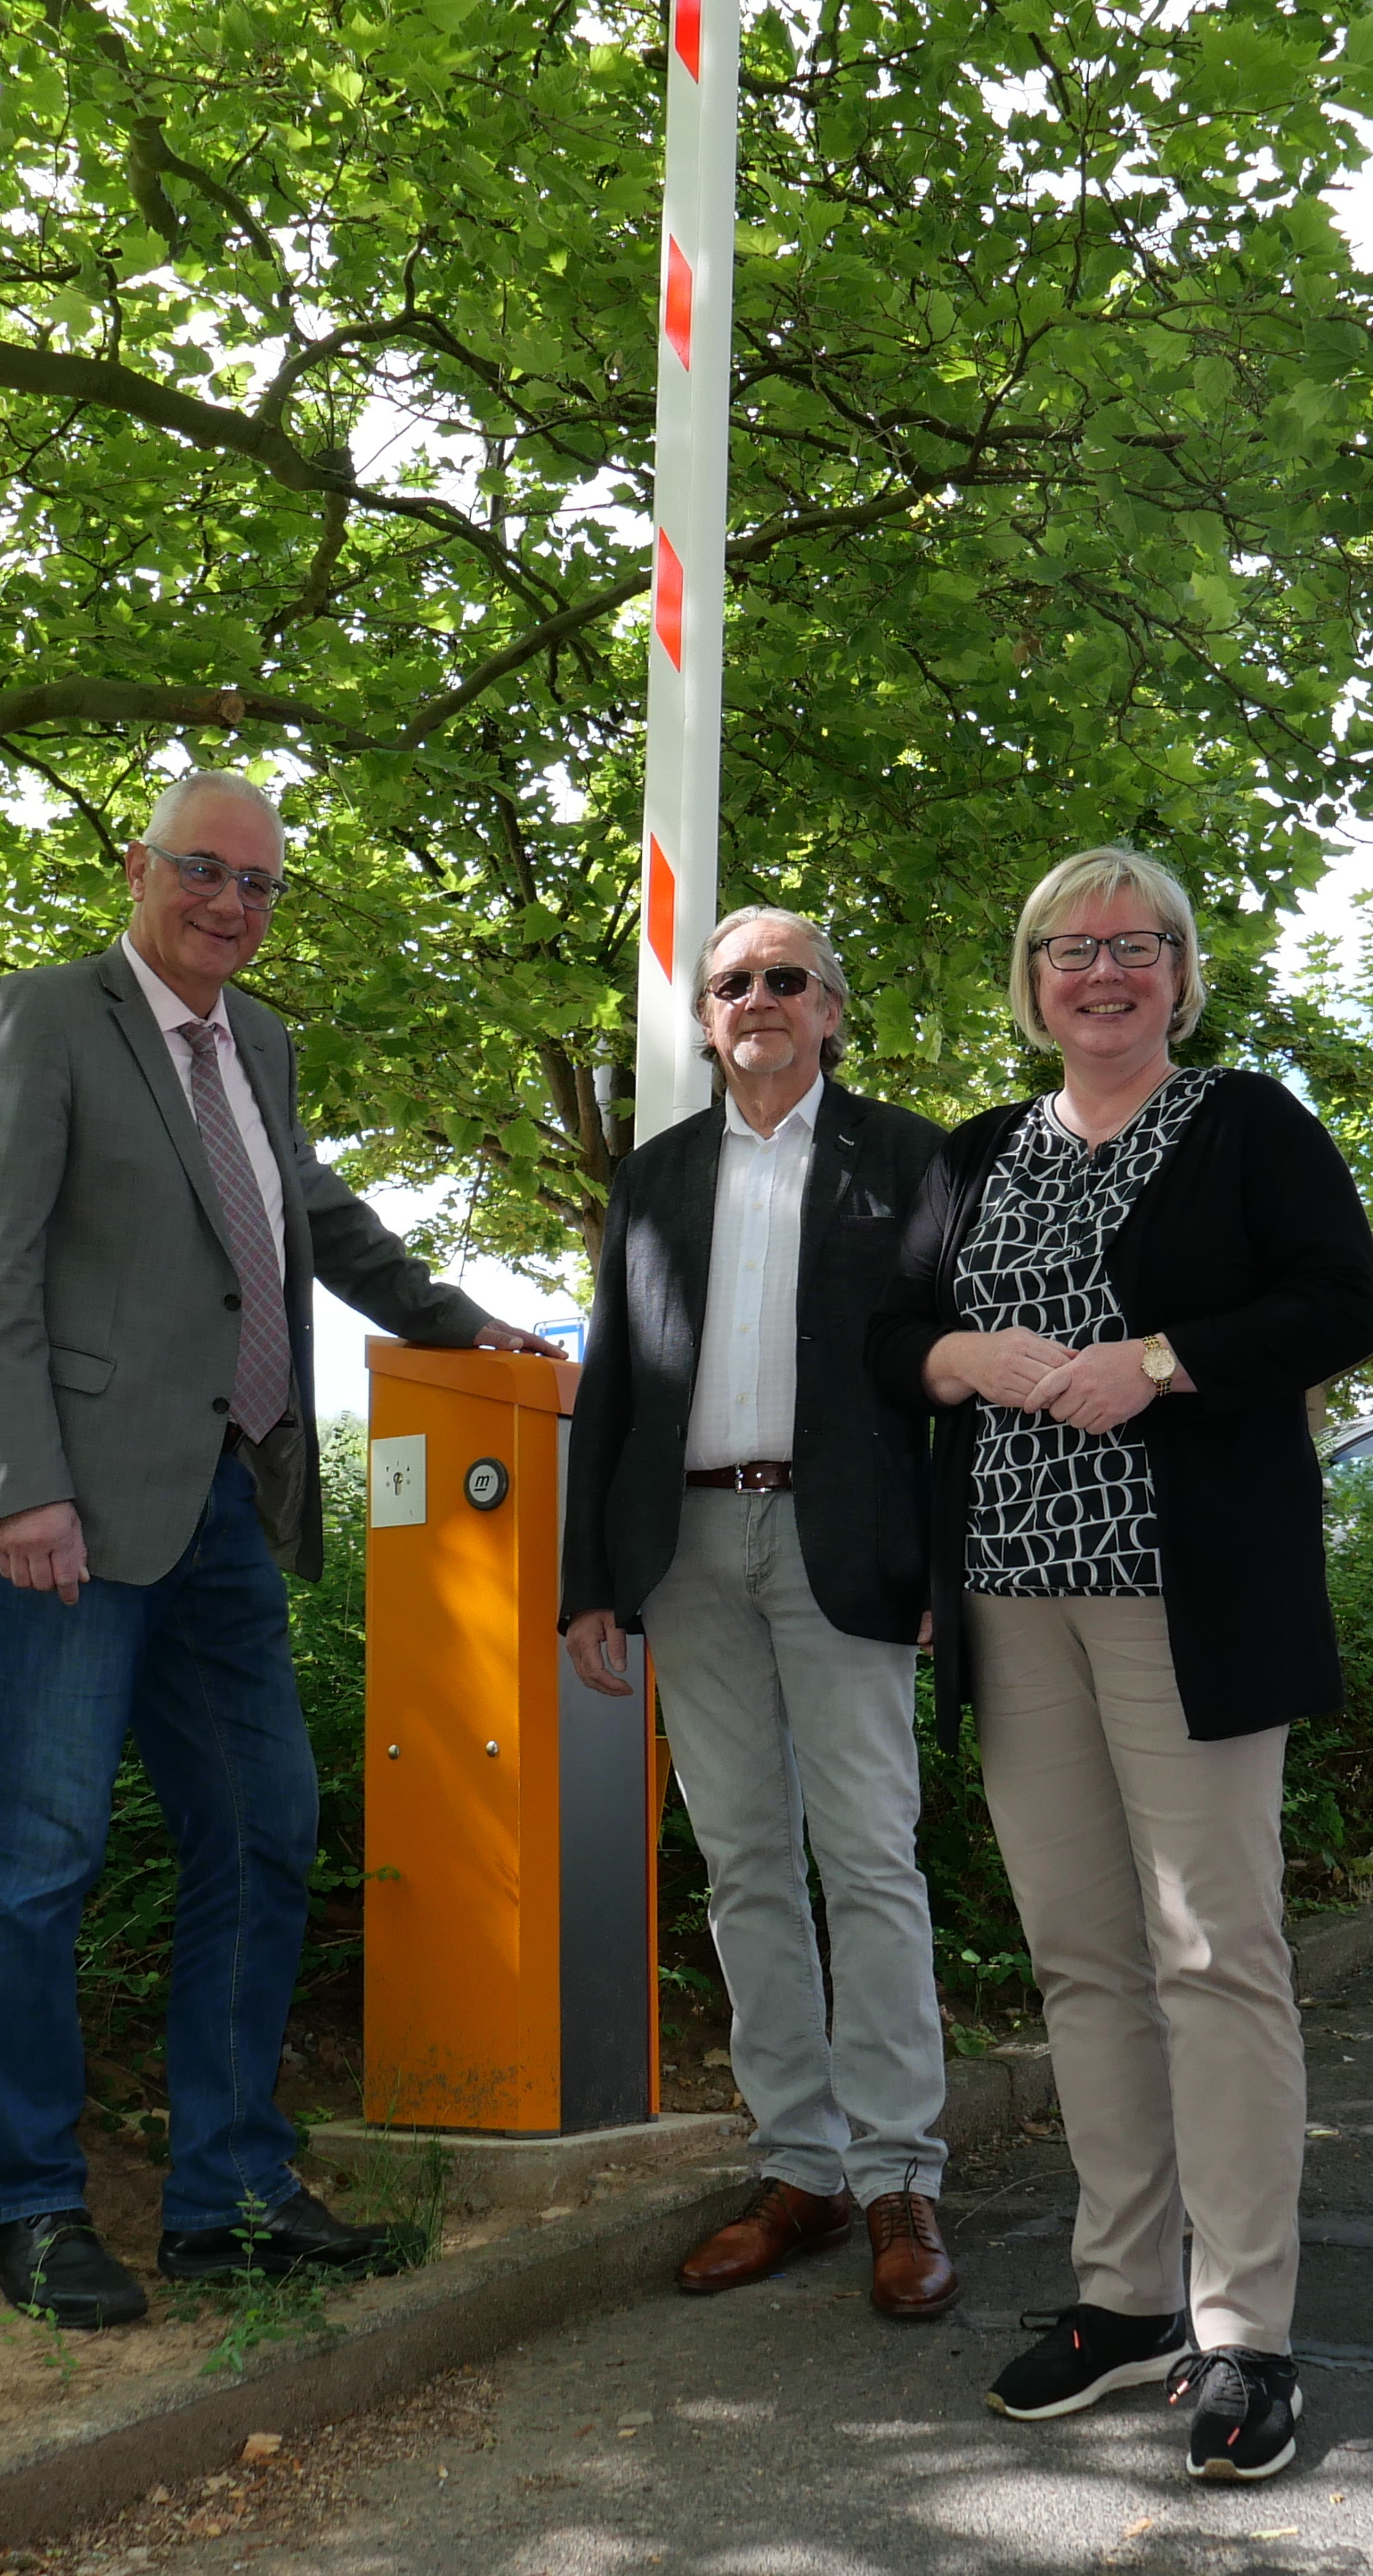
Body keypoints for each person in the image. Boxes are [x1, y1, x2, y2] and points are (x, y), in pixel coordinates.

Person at [0, 767, 561, 2330]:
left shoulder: (255, 1042)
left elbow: (307, 1214)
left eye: (259, 883)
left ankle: (228, 2196)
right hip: (61, 1511)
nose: (230, 903)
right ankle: (26, 2204)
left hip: (222, 1502)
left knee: (266, 1825)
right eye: (203, 869)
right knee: (39, 1857)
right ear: (140, 870)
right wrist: (21, 1488)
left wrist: (458, 1323)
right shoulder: (39, 1019)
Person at [869, 843, 1373, 2485]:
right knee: (1084, 1957)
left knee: (1214, 1952)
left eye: (1133, 946)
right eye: (1068, 950)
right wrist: (957, 1352)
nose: (1100, 973)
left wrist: (1156, 1361)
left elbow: (1339, 1305)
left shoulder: (1248, 1123)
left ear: (1179, 973)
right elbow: (890, 1338)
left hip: (1186, 1597)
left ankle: (1244, 2331)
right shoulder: (975, 1154)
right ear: (1032, 981)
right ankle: (1126, 2298)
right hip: (1009, 1597)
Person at [562, 908, 961, 2317]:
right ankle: (801, 2165)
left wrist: (948, 1565)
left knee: (869, 1858)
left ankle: (899, 2174)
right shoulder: (655, 1173)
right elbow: (612, 1380)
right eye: (732, 984)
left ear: (832, 1010)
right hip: (685, 1547)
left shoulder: (909, 1159)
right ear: (706, 1020)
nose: (758, 1001)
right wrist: (589, 1582)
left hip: (845, 1546)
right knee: (743, 1866)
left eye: (787, 980)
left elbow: (953, 1378)